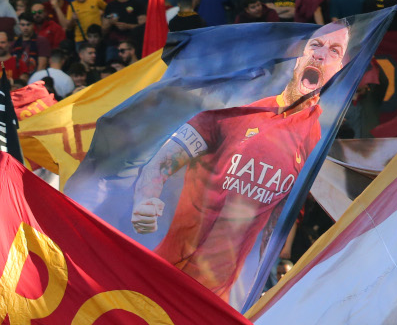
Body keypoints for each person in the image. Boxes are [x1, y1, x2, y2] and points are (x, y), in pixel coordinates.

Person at [130, 22, 352, 299]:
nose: (321, 55)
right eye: (315, 45)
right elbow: (159, 164)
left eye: (334, 50)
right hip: (163, 274)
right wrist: (144, 199)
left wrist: (267, 276)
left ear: (340, 67)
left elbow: (280, 217)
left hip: (217, 302)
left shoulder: (315, 138)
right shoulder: (236, 110)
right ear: (297, 56)